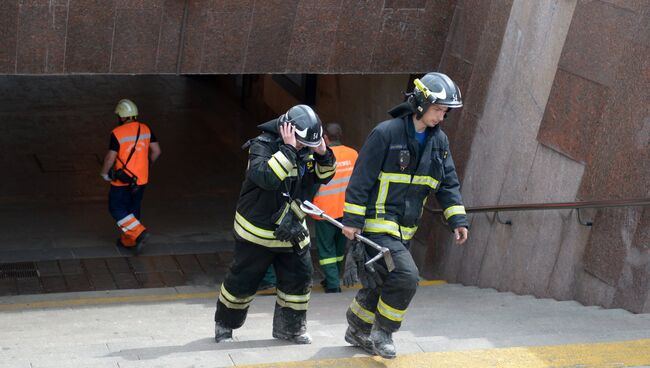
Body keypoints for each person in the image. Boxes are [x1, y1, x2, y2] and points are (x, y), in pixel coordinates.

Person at [340, 72, 469, 358]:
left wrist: (457, 219)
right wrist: (352, 221)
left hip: (405, 230)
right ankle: (383, 332)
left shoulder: (439, 142)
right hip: (377, 226)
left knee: (383, 281)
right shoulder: (386, 133)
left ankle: (356, 327)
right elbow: (361, 179)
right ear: (421, 104)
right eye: (438, 110)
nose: (441, 117)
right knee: (406, 276)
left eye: (445, 112)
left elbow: (448, 183)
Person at [214, 104, 336, 344]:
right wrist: (289, 149)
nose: (304, 149)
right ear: (287, 131)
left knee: (299, 279)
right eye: (301, 144)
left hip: (292, 230)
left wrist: (323, 153)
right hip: (256, 233)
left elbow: (323, 176)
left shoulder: (307, 149)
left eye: (307, 146)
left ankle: (290, 329)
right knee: (242, 281)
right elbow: (267, 179)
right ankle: (225, 326)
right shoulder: (262, 146)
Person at [100, 99, 161, 254]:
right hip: (141, 179)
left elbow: (110, 158)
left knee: (116, 208)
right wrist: (146, 166)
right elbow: (156, 151)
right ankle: (129, 241)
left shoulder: (117, 133)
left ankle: (139, 233)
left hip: (122, 180)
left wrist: (104, 173)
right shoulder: (146, 129)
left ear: (121, 116)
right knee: (133, 209)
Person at [310, 123, 358, 293]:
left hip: (324, 210)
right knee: (339, 248)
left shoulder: (321, 155)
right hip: (346, 211)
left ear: (325, 138)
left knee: (326, 249)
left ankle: (332, 283)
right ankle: (333, 276)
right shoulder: (353, 154)